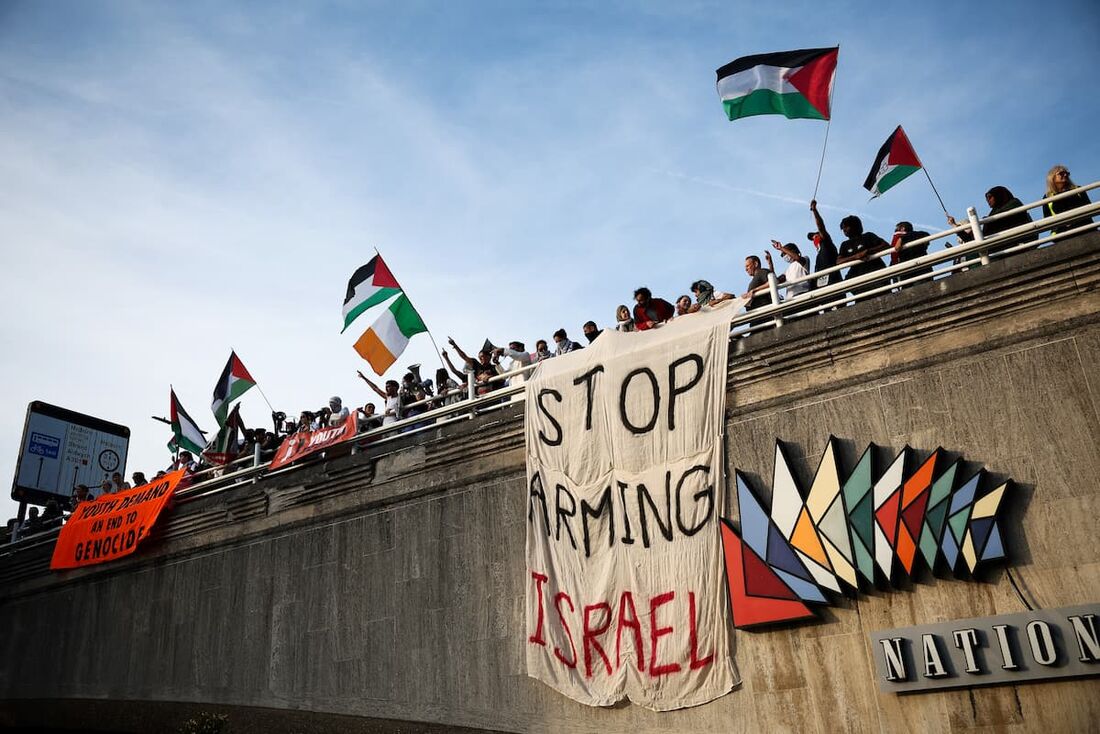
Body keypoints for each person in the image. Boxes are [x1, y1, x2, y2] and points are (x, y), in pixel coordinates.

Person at [947, 186, 1036, 254]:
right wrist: (954, 225)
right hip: (998, 250)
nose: (988, 201)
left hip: (1017, 246)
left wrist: (988, 220)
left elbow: (1006, 218)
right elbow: (976, 239)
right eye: (986, 199)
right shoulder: (992, 213)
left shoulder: (1014, 203)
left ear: (999, 195)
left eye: (990, 197)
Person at [835, 215, 889, 294]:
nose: (844, 230)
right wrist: (856, 257)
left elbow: (886, 245)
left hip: (876, 275)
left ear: (854, 226)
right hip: (858, 280)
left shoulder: (868, 236)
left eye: (846, 227)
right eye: (843, 228)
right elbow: (838, 261)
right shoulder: (845, 244)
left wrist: (868, 251)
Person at [1043, 165, 1093, 235]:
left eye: (1067, 173)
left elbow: (1090, 208)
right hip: (1062, 234)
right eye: (1061, 173)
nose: (1065, 175)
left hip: (1085, 229)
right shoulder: (1048, 197)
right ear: (1052, 178)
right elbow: (1047, 220)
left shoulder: (1078, 189)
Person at [808, 200, 842, 289]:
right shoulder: (818, 255)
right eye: (813, 238)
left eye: (816, 236)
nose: (814, 238)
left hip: (833, 282)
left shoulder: (827, 243)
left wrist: (814, 211)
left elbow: (821, 227)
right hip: (820, 286)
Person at [890, 221, 933, 286]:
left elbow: (896, 248)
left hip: (908, 272)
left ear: (902, 229)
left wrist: (901, 238)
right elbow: (927, 238)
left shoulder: (901, 237)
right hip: (924, 268)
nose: (895, 232)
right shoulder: (921, 234)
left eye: (897, 229)